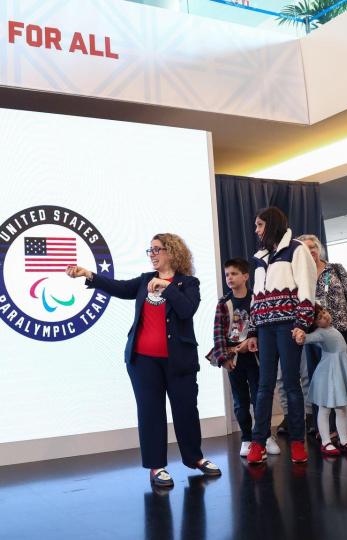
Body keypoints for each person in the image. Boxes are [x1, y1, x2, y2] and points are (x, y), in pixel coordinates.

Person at [66, 233, 221, 488]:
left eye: (157, 250)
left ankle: (195, 459)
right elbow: (119, 287)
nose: (153, 255)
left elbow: (186, 310)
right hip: (143, 362)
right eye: (150, 251)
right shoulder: (144, 280)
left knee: (186, 411)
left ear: (172, 252)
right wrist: (89, 275)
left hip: (179, 361)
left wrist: (167, 286)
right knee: (150, 413)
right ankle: (156, 466)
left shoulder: (188, 283)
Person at [242, 207, 317, 464]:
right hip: (264, 329)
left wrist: (301, 324)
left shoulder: (297, 249)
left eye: (260, 225)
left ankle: (297, 442)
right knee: (264, 386)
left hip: (287, 326)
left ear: (272, 224)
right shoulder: (261, 257)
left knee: (291, 383)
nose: (256, 230)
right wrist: (252, 330)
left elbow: (308, 288)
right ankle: (258, 442)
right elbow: (255, 297)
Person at [206, 258, 280, 458]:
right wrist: (224, 358)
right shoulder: (224, 303)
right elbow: (218, 333)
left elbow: (265, 328)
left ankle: (264, 436)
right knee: (240, 401)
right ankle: (247, 437)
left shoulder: (257, 299)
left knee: (260, 397)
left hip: (256, 358)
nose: (229, 277)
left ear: (246, 276)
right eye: (227, 274)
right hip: (234, 359)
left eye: (234, 273)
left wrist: (254, 343)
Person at [295, 234, 347, 441]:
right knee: (319, 380)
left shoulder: (335, 269)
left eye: (313, 247)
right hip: (314, 332)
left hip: (341, 330)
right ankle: (325, 427)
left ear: (319, 249)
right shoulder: (299, 274)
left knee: (344, 378)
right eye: (306, 249)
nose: (311, 251)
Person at [292, 305, 347, 456]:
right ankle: (326, 441)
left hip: (338, 371)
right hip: (328, 374)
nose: (325, 316)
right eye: (320, 317)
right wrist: (300, 335)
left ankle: (344, 440)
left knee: (341, 407)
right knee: (325, 408)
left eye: (325, 313)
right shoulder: (320, 333)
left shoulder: (332, 329)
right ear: (314, 322)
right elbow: (307, 339)